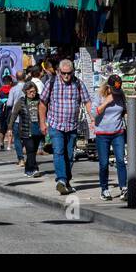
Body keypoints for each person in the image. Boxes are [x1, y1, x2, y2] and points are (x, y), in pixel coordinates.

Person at [39, 59, 92, 195]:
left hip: (72, 126)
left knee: (69, 155)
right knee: (59, 152)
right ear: (58, 72)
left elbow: (87, 101)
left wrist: (93, 119)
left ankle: (66, 181)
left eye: (69, 73)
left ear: (73, 72)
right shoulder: (51, 83)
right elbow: (43, 104)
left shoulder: (78, 84)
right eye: (64, 73)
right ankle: (61, 180)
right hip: (56, 125)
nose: (67, 76)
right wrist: (42, 123)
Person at [93, 75, 128, 199]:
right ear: (108, 86)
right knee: (103, 163)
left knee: (120, 160)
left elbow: (124, 110)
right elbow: (93, 113)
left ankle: (124, 187)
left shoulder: (120, 94)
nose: (116, 91)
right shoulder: (99, 95)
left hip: (117, 132)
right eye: (114, 89)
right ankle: (104, 189)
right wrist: (106, 102)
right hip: (102, 134)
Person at [8, 80, 44, 177]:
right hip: (26, 128)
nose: (33, 93)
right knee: (30, 149)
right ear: (25, 92)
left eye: (34, 91)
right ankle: (34, 168)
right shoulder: (21, 101)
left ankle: (28, 170)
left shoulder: (40, 99)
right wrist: (10, 128)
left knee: (33, 150)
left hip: (38, 128)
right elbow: (14, 114)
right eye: (30, 92)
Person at [3, 70, 27, 164]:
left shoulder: (13, 89)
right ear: (24, 77)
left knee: (17, 138)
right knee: (26, 138)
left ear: (16, 78)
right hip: (27, 117)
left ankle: (21, 159)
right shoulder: (29, 87)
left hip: (16, 117)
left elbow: (9, 103)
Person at [0, 71, 15, 151]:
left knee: (2, 128)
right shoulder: (12, 90)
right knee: (10, 128)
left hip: (2, 112)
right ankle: (9, 145)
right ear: (10, 82)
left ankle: (1, 143)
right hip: (11, 111)